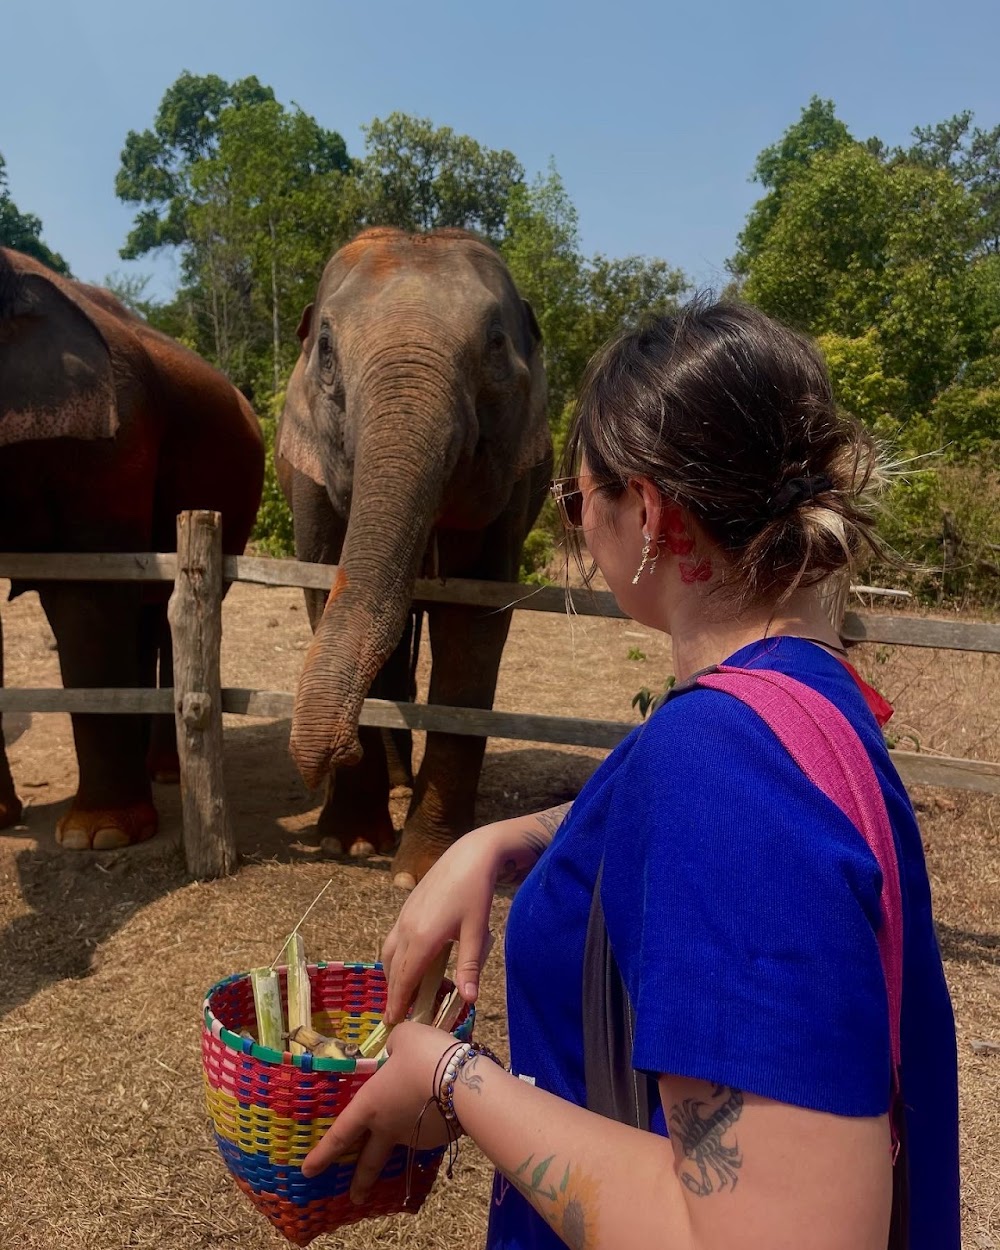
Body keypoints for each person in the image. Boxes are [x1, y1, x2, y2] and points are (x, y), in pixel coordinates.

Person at [302, 300, 960, 1249]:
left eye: (576, 501)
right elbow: (665, 816)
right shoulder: (799, 700)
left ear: (646, 512)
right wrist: (500, 842)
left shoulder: (724, 768)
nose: (575, 523)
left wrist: (445, 1073)